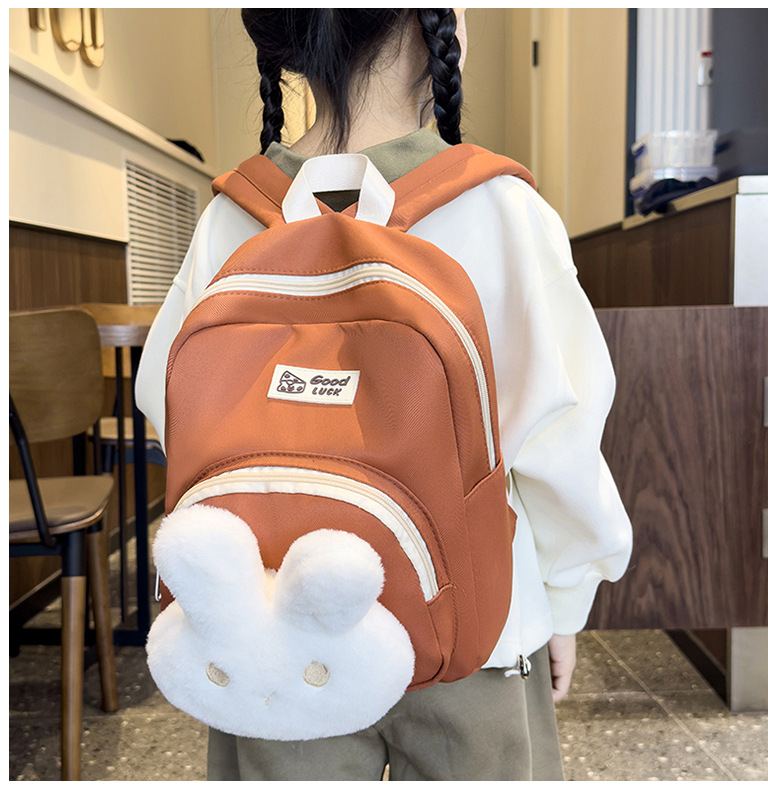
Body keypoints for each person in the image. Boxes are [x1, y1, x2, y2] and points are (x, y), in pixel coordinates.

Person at [135, 8, 632, 781]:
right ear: (437, 23)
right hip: (474, 628)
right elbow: (556, 445)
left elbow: (172, 413)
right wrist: (565, 600)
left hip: (273, 638)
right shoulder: (500, 208)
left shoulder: (230, 215)